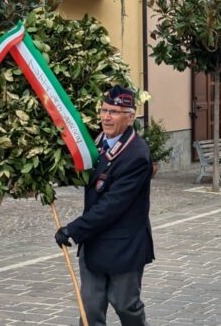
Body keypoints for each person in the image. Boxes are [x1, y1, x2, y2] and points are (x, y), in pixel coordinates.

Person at [55, 85, 154, 326]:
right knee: (89, 309)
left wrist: (74, 229)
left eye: (115, 112)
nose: (106, 117)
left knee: (125, 305)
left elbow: (112, 205)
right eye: (104, 110)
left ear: (130, 117)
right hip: (95, 242)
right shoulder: (97, 142)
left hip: (124, 245)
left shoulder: (137, 155)